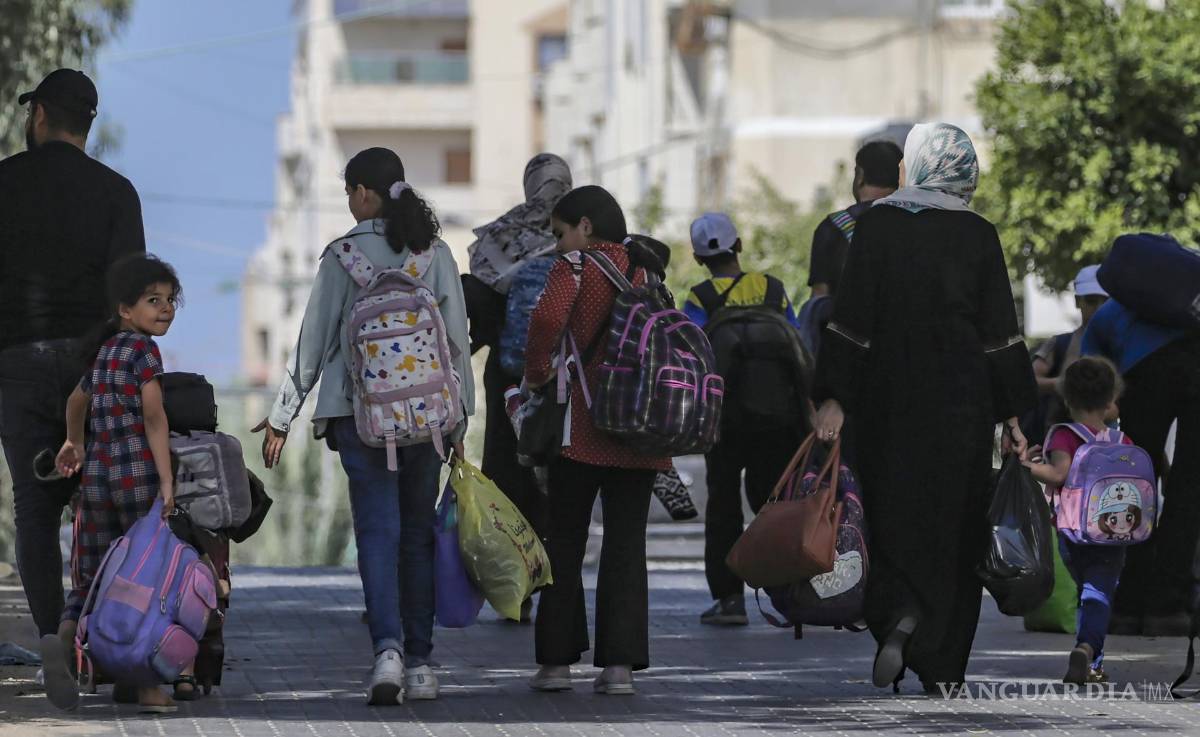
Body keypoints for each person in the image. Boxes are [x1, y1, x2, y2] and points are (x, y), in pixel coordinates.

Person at [812, 123, 1036, 694]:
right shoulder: (978, 233)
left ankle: (897, 617)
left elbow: (851, 319)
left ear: (916, 164)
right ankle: (943, 666)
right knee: (955, 526)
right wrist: (1016, 415)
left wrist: (833, 394)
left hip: (885, 405)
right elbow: (1000, 335)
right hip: (962, 407)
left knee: (888, 515)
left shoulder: (879, 224)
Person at [253, 148, 473, 705]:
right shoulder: (435, 254)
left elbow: (314, 340)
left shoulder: (343, 256)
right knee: (418, 534)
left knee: (377, 534)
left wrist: (284, 414)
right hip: (428, 420)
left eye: (350, 191)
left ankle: (388, 653)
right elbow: (456, 341)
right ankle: (423, 663)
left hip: (360, 416)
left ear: (363, 193)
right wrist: (460, 416)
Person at [0, 69, 145, 674]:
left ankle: (51, 631)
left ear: (38, 117)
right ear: (86, 124)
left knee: (34, 507)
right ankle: (108, 637)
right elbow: (134, 296)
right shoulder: (117, 192)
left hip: (15, 362)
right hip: (93, 369)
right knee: (105, 501)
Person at [524, 185, 669, 696]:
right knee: (628, 545)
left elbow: (545, 320)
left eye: (561, 234)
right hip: (641, 429)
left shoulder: (577, 269)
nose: (559, 246)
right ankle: (619, 669)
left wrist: (536, 372)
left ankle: (557, 665)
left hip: (582, 428)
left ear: (585, 226)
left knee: (564, 542)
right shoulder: (647, 268)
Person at [44, 255, 181, 712]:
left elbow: (76, 400)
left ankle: (63, 641)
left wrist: (74, 442)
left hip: (97, 480)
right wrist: (166, 482)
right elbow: (154, 418)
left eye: (169, 300)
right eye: (152, 300)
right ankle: (147, 687)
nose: (164, 308)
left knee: (92, 575)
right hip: (137, 478)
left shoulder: (105, 352)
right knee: (141, 578)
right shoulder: (144, 352)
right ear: (126, 309)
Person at [681, 212, 808, 626]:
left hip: (725, 420)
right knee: (775, 504)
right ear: (739, 246)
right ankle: (789, 592)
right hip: (779, 417)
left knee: (722, 505)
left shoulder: (699, 299)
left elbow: (693, 356)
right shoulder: (772, 289)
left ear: (699, 258)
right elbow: (797, 343)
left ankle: (729, 599)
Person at [463, 153, 572, 623]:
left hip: (508, 380)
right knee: (560, 478)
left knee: (508, 477)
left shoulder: (499, 238)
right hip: (566, 379)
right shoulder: (582, 233)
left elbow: (480, 313)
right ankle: (559, 584)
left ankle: (517, 586)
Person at [1081, 278, 1200, 636]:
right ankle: (1169, 607)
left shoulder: (1114, 309)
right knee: (1189, 490)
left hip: (1143, 377)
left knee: (1132, 488)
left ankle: (1128, 606)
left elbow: (1089, 371)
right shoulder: (1189, 301)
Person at [1022, 357, 1133, 684]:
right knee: (1098, 591)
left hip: (1072, 531)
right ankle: (1088, 651)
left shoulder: (1063, 435)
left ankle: (1090, 656)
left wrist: (1026, 465)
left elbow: (1057, 474)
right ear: (1110, 400)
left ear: (1067, 398)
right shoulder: (1121, 441)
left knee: (1089, 589)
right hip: (1113, 532)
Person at [797, 140, 903, 356]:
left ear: (860, 175)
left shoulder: (834, 227)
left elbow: (820, 298)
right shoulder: (918, 221)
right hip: (907, 346)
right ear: (901, 177)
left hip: (849, 349)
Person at [1021, 265, 1109, 443]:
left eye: (1105, 301)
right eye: (1091, 301)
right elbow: (1029, 380)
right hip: (1057, 443)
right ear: (1078, 302)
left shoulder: (1120, 345)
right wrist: (1063, 384)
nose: (1099, 308)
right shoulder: (1061, 343)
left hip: (1105, 447)